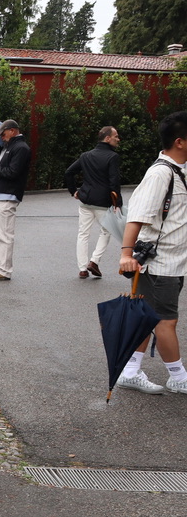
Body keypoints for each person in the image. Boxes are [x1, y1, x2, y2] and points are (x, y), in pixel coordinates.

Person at [115, 111, 187, 395]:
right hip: (160, 264)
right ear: (179, 141)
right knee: (165, 321)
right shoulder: (160, 173)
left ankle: (130, 370)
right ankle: (178, 376)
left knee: (147, 317)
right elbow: (137, 216)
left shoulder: (180, 169)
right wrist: (125, 254)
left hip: (176, 262)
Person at [64, 126, 122, 279]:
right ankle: (94, 261)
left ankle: (82, 269)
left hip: (85, 200)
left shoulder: (85, 156)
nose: (118, 139)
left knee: (83, 234)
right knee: (106, 231)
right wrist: (118, 204)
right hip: (103, 202)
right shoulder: (112, 157)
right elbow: (114, 182)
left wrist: (74, 191)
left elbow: (69, 172)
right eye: (116, 136)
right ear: (107, 138)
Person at [0, 119, 32, 280]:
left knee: (5, 234)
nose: (2, 137)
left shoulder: (21, 148)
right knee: (0, 233)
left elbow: (12, 172)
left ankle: (4, 270)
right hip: (2, 194)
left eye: (3, 134)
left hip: (8, 194)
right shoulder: (11, 147)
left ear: (12, 130)